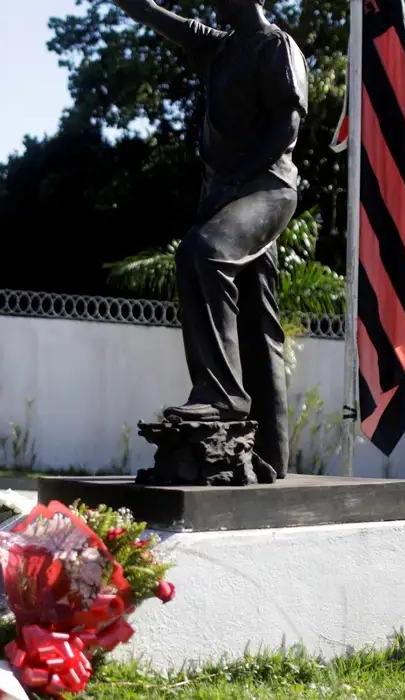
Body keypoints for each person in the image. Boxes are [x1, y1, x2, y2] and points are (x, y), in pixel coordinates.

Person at [111, 0, 310, 480]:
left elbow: (288, 125)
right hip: (227, 190)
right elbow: (160, 18)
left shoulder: (277, 47)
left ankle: (220, 394)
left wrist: (232, 180)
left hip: (267, 187)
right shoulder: (218, 47)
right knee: (259, 317)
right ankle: (269, 452)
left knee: (203, 252)